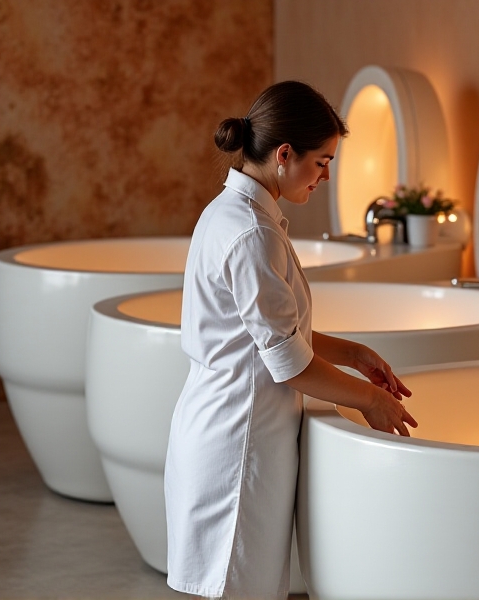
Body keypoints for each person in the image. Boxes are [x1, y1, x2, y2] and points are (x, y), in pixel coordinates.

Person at [164, 80, 417, 600]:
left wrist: (353, 353)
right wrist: (371, 400)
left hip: (230, 427)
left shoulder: (237, 214)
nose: (325, 176)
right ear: (284, 155)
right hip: (237, 442)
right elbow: (288, 363)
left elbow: (268, 332)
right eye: (321, 162)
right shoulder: (251, 233)